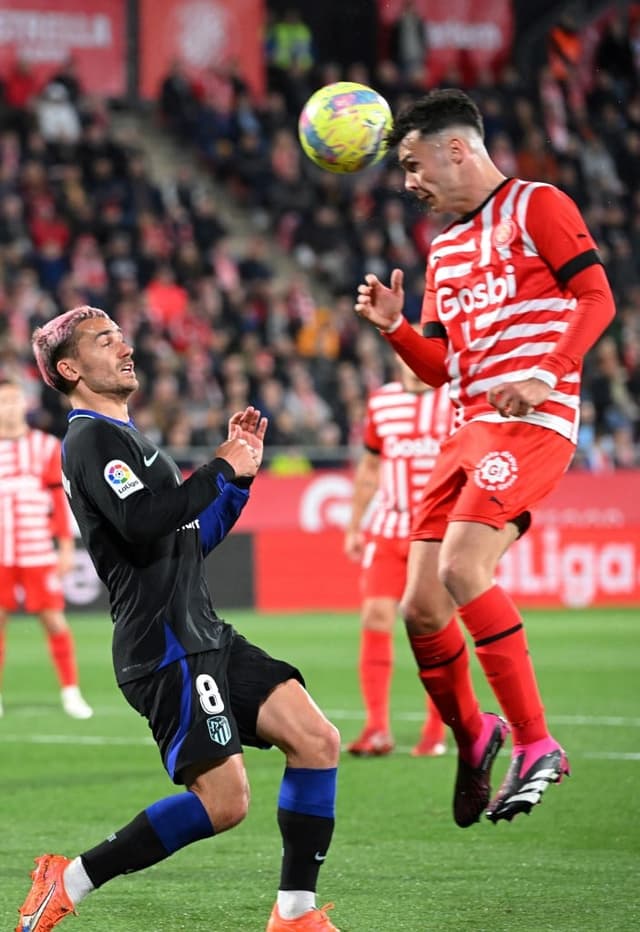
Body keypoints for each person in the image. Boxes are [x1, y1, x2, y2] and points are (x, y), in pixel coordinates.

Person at [17, 305, 340, 932]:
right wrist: (217, 465)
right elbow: (143, 523)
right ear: (70, 368)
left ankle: (294, 917)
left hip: (204, 633)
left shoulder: (131, 439)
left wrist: (238, 480)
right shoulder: (90, 440)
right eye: (104, 341)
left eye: (121, 336)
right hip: (164, 647)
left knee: (316, 740)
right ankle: (71, 877)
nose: (125, 347)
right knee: (224, 803)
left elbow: (188, 534)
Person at [354, 88, 616, 826]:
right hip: (463, 431)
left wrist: (548, 371)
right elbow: (441, 367)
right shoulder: (443, 249)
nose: (410, 180)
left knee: (464, 568)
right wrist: (398, 329)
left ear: (458, 150)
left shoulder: (539, 206)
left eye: (414, 163)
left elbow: (597, 298)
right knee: (419, 607)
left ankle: (536, 743)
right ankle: (475, 734)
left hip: (533, 423)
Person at [344, 342, 452, 758]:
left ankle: (437, 728)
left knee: (432, 625)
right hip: (387, 527)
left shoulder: (454, 399)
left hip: (436, 531)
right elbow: (370, 466)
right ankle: (376, 728)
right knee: (375, 614)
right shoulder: (383, 402)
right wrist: (355, 525)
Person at [0, 378, 93, 720]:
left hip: (37, 550)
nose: (8, 407)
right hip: (0, 556)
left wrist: (66, 548)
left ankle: (71, 693)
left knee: (54, 621)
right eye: (2, 401)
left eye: (13, 400)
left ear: (24, 404)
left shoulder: (44, 447)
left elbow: (58, 501)